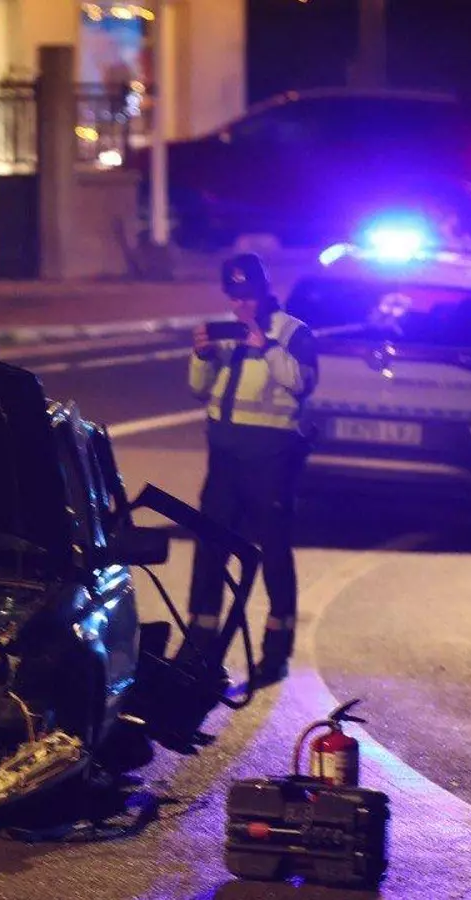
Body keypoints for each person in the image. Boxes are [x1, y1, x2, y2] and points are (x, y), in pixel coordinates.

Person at [184, 253, 318, 687]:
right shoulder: (226, 334)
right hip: (224, 459)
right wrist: (202, 355)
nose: (241, 305)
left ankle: (276, 652)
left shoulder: (293, 332)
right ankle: (200, 646)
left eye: (248, 295)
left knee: (274, 552)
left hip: (271, 459)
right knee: (210, 549)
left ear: (264, 290)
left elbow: (302, 382)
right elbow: (198, 389)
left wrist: (268, 348)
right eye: (234, 296)